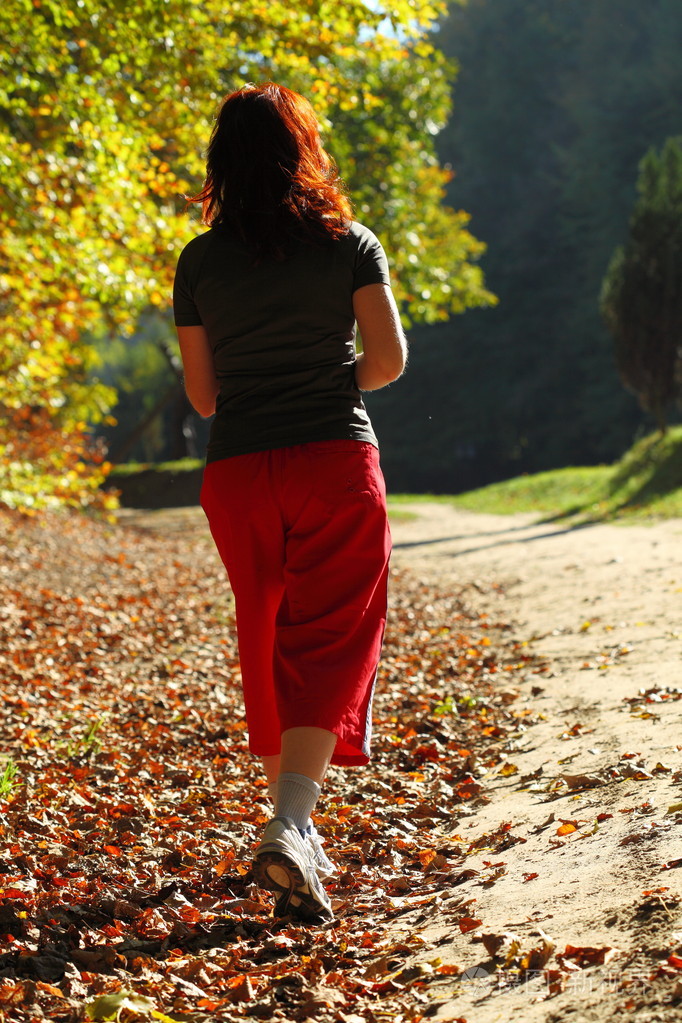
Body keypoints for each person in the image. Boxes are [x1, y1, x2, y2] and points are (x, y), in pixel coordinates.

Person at [173, 82, 407, 922]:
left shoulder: (199, 262)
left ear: (220, 165)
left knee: (267, 631)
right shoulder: (350, 244)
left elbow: (203, 397)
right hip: (333, 458)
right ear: (302, 150)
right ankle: (294, 822)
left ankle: (292, 829)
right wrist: (324, 379)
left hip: (238, 470)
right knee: (334, 631)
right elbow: (387, 362)